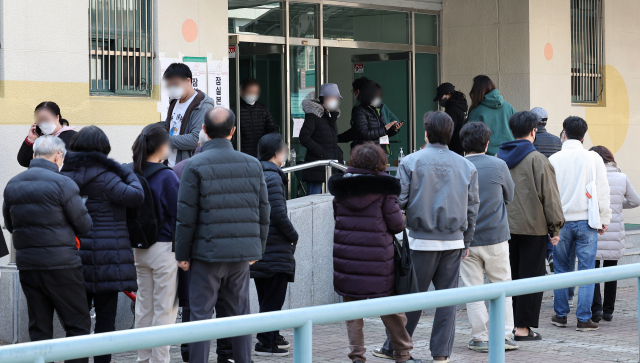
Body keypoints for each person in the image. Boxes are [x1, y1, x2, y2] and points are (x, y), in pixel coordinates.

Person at [175, 107, 270, 363]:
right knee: (240, 314)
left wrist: (182, 254)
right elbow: (264, 209)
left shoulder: (193, 165)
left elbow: (186, 214)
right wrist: (257, 249)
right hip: (241, 255)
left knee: (200, 316)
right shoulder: (253, 164)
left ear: (203, 130)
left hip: (206, 254)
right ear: (233, 131)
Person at [392, 111, 479, 362]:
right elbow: (473, 208)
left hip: (420, 239)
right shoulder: (467, 166)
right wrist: (467, 240)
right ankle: (441, 354)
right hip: (454, 240)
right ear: (451, 135)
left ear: (426, 134)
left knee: (412, 299)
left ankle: (397, 347)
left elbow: (399, 202)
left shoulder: (410, 162)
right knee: (447, 301)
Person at [329, 142, 421, 363]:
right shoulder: (385, 190)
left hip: (347, 262)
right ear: (379, 163)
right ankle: (402, 354)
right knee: (391, 310)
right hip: (379, 262)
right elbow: (397, 225)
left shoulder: (341, 190)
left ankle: (357, 357)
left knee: (352, 313)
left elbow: (337, 219)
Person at [3, 136, 93, 363]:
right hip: (62, 265)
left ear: (33, 156)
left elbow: (12, 225)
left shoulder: (13, 184)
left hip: (28, 265)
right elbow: (84, 225)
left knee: (39, 328)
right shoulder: (64, 184)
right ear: (59, 156)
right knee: (77, 324)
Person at [61, 126, 144, 363]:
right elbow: (136, 195)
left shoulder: (64, 176)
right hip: (108, 258)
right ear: (103, 149)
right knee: (106, 320)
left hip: (73, 255)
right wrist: (123, 170)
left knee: (76, 320)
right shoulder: (109, 177)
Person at [496, 111, 564, 341]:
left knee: (511, 278)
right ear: (534, 131)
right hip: (533, 229)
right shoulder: (537, 160)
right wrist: (555, 229)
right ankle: (523, 329)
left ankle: (510, 326)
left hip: (504, 228)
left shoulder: (499, 156)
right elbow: (550, 197)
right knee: (531, 280)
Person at [173, 129, 234, 363]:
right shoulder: (239, 164)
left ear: (198, 141)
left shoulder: (180, 168)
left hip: (196, 249)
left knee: (193, 304)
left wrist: (182, 253)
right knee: (226, 304)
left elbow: (181, 216)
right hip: (229, 248)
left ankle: (190, 353)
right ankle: (227, 355)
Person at [457, 122, 517, 352]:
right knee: (502, 287)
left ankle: (480, 338)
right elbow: (509, 196)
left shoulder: (459, 166)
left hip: (466, 240)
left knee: (473, 290)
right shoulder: (499, 165)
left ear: (463, 142)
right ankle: (504, 336)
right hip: (497, 237)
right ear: (487, 142)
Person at [549, 116, 612, 332]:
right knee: (587, 270)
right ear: (584, 136)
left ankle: (560, 315)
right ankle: (584, 318)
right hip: (587, 222)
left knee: (561, 270)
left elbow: (549, 195)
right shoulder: (593, 158)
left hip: (561, 223)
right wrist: (605, 219)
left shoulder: (554, 159)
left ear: (563, 133)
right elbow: (602, 190)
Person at [131, 124, 181, 363]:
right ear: (162, 146)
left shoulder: (133, 173)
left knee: (144, 308)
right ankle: (160, 360)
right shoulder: (166, 176)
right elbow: (179, 214)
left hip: (140, 250)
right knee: (164, 309)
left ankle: (143, 359)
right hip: (163, 250)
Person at [251, 133, 299, 356]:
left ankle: (272, 335)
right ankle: (264, 343)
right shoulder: (272, 176)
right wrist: (293, 235)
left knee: (266, 296)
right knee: (274, 297)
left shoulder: (258, 171)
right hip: (274, 246)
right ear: (276, 153)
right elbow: (277, 213)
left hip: (261, 246)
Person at [589, 146, 640, 323]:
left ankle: (595, 309)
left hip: (594, 230)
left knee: (592, 272)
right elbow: (635, 200)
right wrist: (618, 205)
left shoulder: (592, 176)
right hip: (613, 232)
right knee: (612, 273)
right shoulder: (621, 177)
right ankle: (608, 311)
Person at [162, 63, 215, 167]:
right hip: (170, 164)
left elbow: (196, 138)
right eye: (169, 85)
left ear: (188, 81)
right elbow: (172, 126)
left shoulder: (202, 106)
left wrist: (163, 140)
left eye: (175, 84)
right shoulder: (174, 102)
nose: (172, 88)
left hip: (188, 167)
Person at [299, 83, 345, 195]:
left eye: (337, 98)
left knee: (332, 199)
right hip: (317, 164)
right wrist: (321, 153)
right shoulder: (314, 116)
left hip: (331, 164)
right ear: (325, 98)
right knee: (313, 200)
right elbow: (304, 137)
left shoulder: (331, 116)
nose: (335, 100)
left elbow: (331, 140)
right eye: (333, 97)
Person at [338, 77, 404, 151]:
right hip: (367, 150)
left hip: (380, 148)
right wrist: (384, 129)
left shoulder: (378, 107)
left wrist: (392, 129)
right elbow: (362, 132)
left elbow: (382, 129)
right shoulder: (360, 109)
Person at [467, 75, 516, 156]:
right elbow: (519, 128)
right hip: (511, 154)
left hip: (488, 158)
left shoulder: (477, 111)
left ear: (476, 91)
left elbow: (470, 139)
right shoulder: (508, 106)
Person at [17, 101, 77, 167]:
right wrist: (31, 140)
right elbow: (24, 162)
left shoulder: (74, 138)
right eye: (40, 120)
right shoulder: (39, 138)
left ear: (57, 117)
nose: (43, 123)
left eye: (46, 119)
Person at [238, 77, 277, 157]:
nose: (252, 95)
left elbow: (271, 129)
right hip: (241, 154)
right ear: (241, 91)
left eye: (255, 92)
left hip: (260, 153)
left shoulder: (263, 109)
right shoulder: (235, 109)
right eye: (249, 92)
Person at [434, 82, 468, 155]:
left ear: (449, 94)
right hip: (461, 148)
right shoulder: (460, 107)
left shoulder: (452, 109)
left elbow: (447, 131)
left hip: (452, 150)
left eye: (441, 97)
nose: (440, 100)